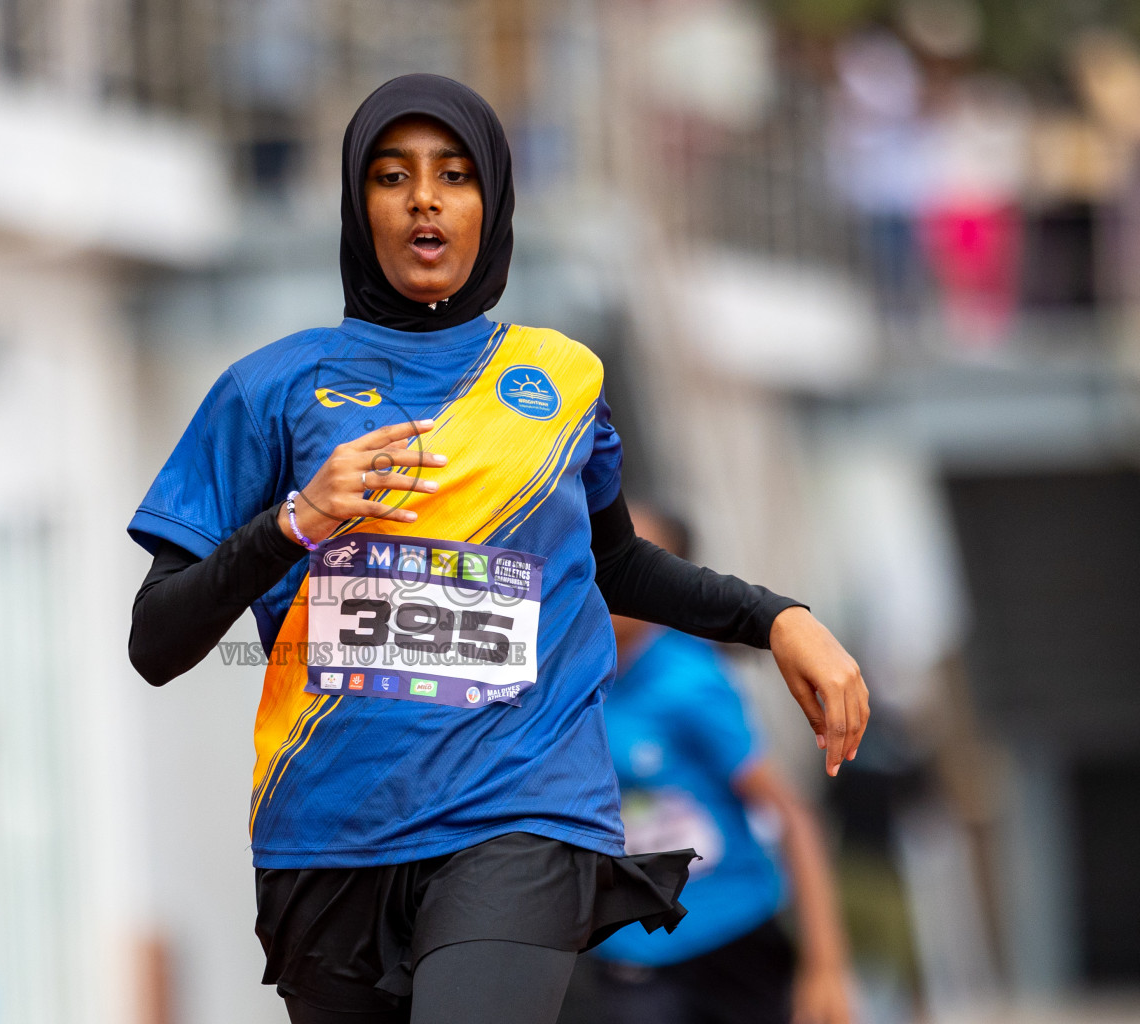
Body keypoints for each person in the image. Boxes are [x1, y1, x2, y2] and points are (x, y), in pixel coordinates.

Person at [127, 74, 869, 1024]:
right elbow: (156, 642)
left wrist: (779, 618)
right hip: (326, 840)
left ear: (494, 204)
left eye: (456, 175)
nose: (426, 198)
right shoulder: (268, 389)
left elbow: (620, 566)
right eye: (393, 177)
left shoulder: (561, 380)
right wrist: (294, 524)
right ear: (360, 207)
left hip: (520, 813)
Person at [562, 505, 852, 1024]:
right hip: (630, 955)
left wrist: (825, 968)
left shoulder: (691, 682)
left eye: (619, 565)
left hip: (731, 942)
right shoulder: (561, 682)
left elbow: (793, 816)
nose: (599, 579)